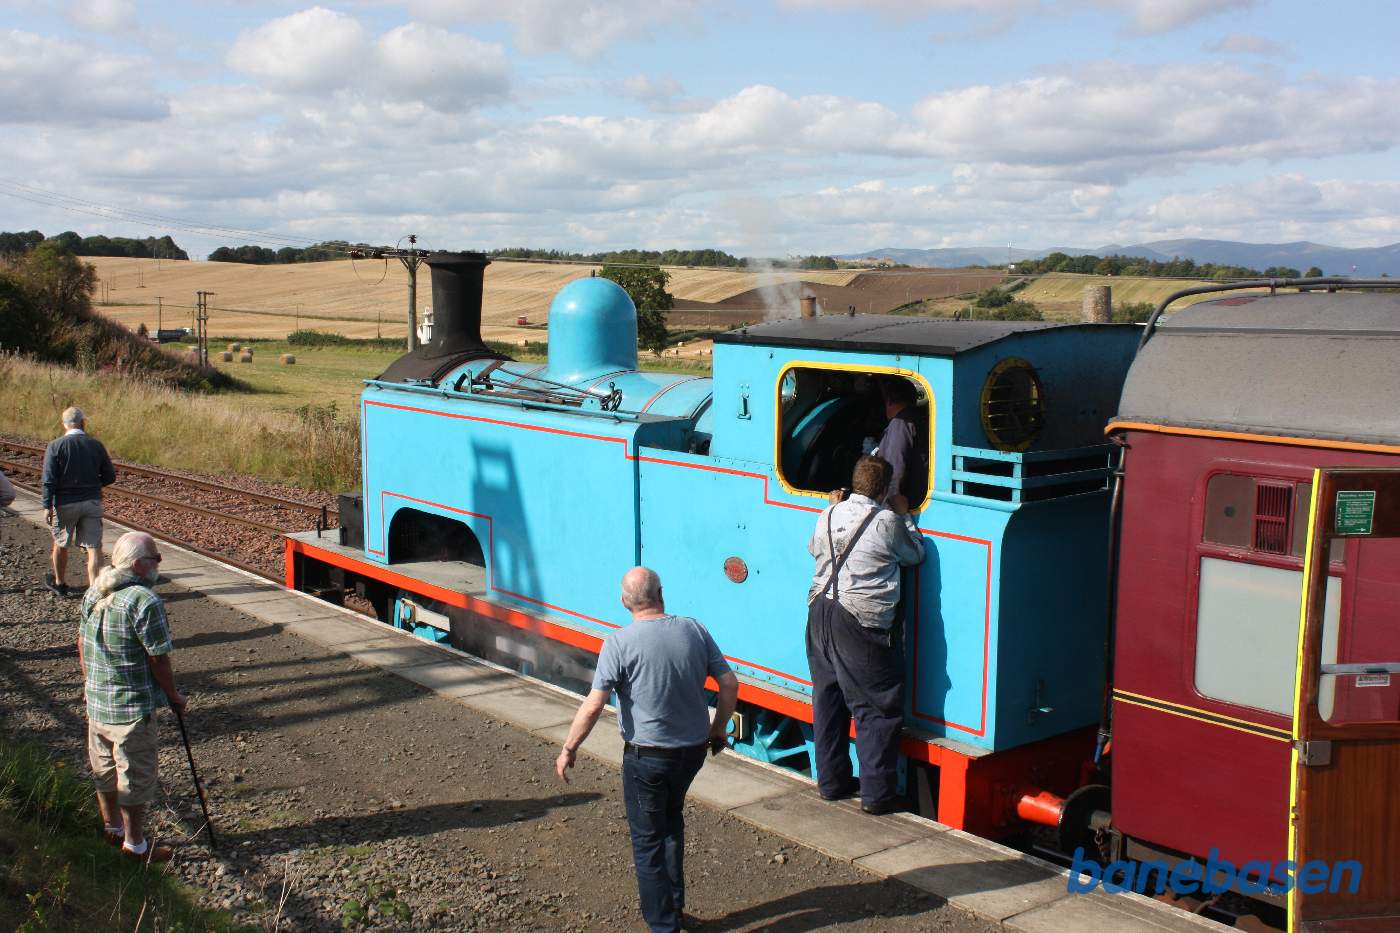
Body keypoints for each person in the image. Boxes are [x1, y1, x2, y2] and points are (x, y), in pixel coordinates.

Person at [556, 567, 739, 933]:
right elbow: (730, 683)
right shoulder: (694, 629)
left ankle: (663, 925)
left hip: (648, 759)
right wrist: (718, 729)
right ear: (661, 594)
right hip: (691, 753)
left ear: (624, 602)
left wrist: (569, 748)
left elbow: (593, 706)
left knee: (648, 841)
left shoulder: (618, 643)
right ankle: (675, 907)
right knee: (671, 824)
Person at [807, 455, 924, 815]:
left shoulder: (829, 513)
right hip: (859, 619)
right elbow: (914, 555)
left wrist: (833, 508)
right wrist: (905, 515)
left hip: (820, 610)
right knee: (875, 708)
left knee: (828, 701)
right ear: (885, 489)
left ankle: (831, 783)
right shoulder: (887, 521)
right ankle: (877, 796)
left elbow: (813, 548)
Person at [79, 531, 186, 863]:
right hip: (131, 708)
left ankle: (111, 829)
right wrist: (173, 695)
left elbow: (81, 643)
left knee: (104, 769)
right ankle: (135, 846)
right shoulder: (145, 601)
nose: (159, 563)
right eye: (156, 557)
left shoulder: (95, 590)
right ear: (140, 565)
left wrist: (91, 681)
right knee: (134, 776)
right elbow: (158, 658)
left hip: (98, 702)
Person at [42, 406, 116, 596]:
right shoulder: (96, 445)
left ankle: (60, 584)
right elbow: (110, 476)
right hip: (92, 502)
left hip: (64, 503)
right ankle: (95, 591)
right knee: (94, 547)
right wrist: (93, 485)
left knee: (61, 543)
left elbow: (49, 479)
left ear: (64, 425)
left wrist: (47, 505)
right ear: (83, 423)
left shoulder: (55, 446)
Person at [873, 376, 927, 507]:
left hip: (900, 503)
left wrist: (887, 505)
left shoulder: (900, 423)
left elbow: (895, 467)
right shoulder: (916, 418)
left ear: (889, 401)